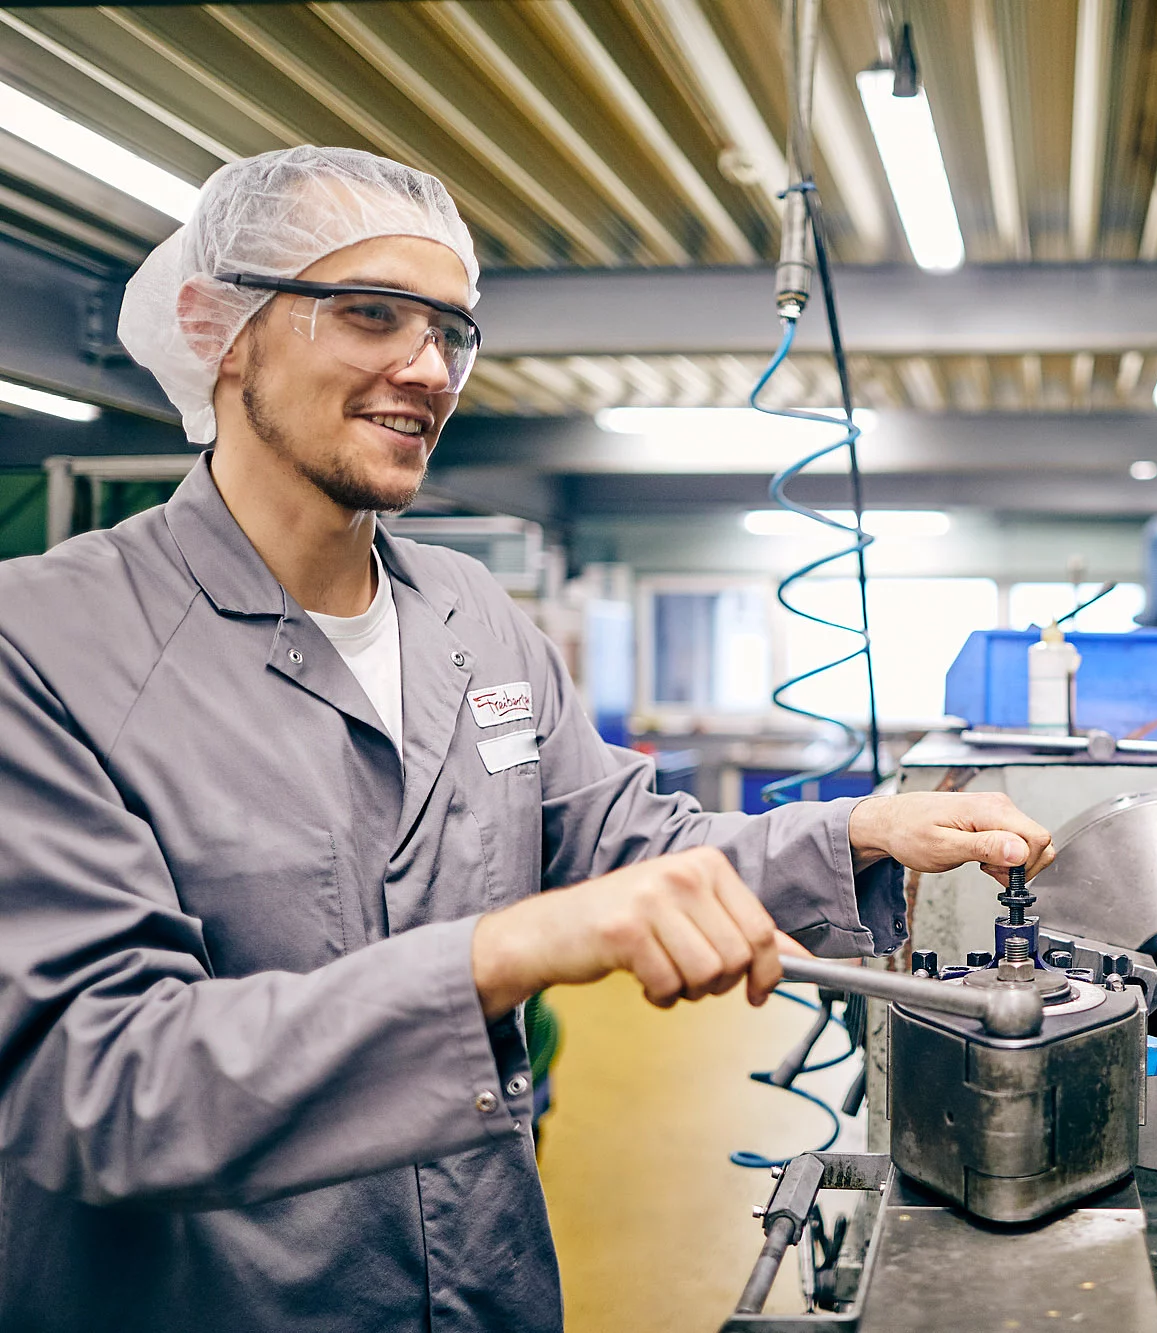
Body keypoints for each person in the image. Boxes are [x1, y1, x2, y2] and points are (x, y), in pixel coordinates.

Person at [0, 146, 1052, 1333]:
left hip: (486, 1283)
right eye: (370, 315)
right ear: (217, 329)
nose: (427, 367)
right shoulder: (43, 642)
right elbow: (102, 1079)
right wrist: (496, 952)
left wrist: (862, 832)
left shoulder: (466, 615)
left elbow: (622, 844)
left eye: (451, 329)